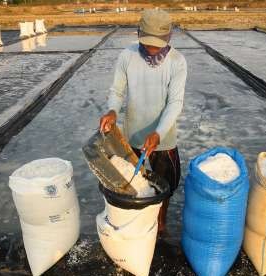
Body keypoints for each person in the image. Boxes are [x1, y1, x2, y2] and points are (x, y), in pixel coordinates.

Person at [99, 9, 187, 234]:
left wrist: (158, 133)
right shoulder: (127, 56)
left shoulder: (177, 62)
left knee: (166, 185)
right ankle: (133, 223)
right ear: (138, 33)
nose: (151, 48)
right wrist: (112, 111)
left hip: (163, 137)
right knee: (128, 184)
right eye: (147, 42)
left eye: (157, 43)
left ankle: (160, 223)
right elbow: (117, 91)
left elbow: (175, 103)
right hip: (133, 134)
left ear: (169, 37)